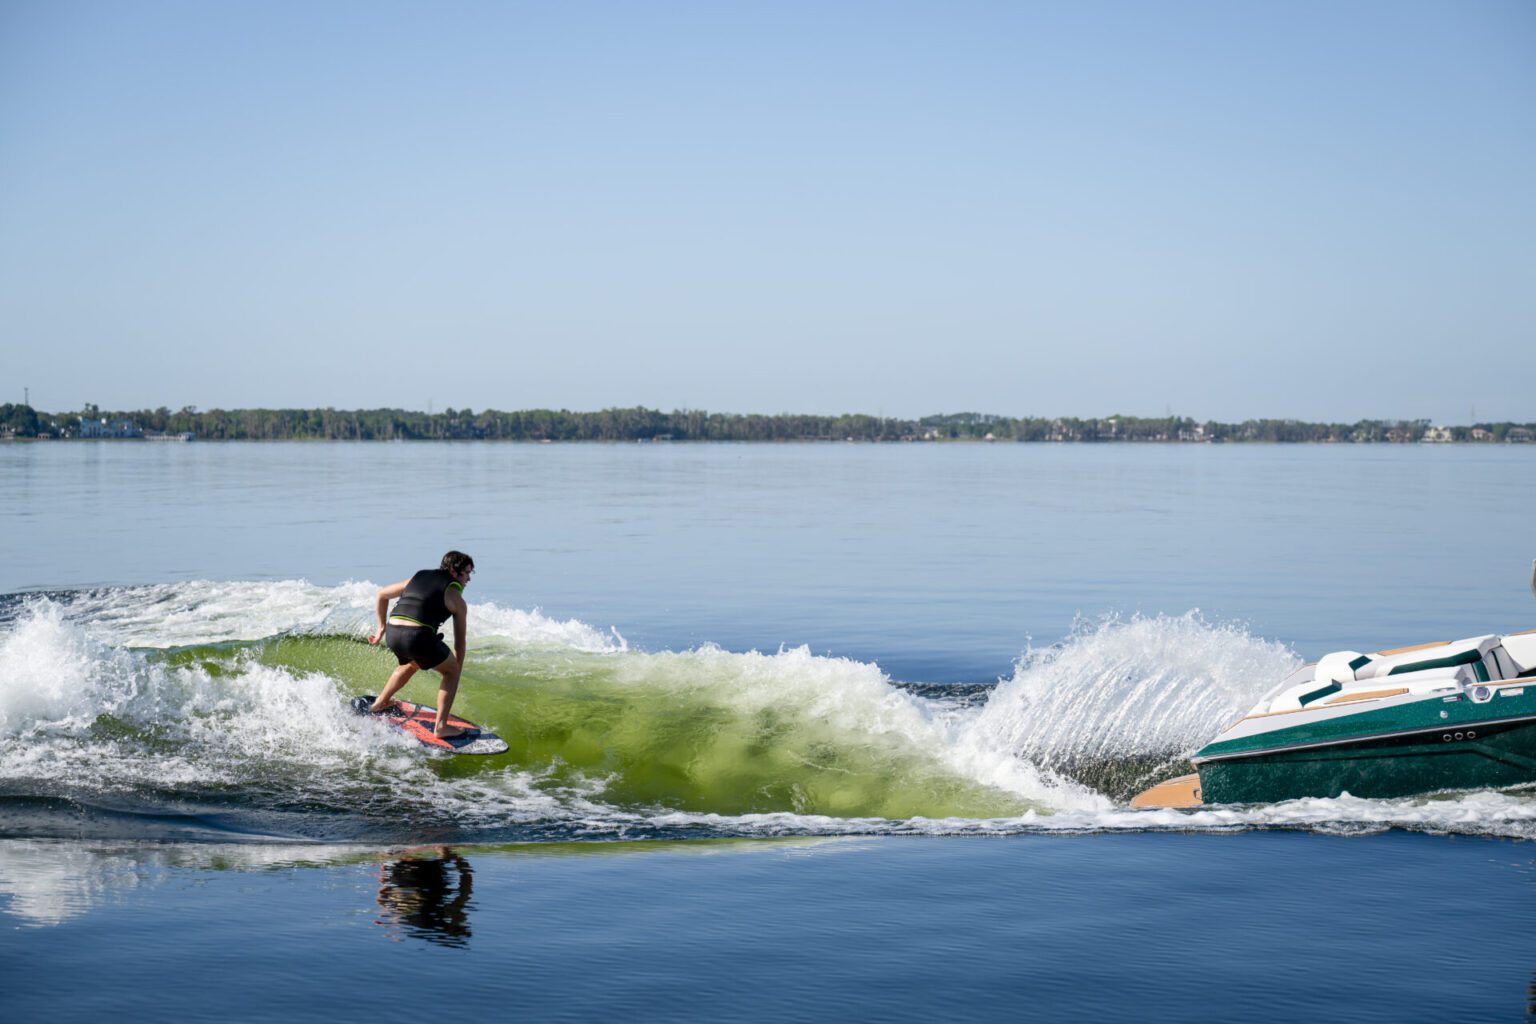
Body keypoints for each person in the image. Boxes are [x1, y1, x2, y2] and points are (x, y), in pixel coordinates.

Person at [367, 551, 475, 738]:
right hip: (417, 636)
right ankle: (441, 727)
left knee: (412, 663)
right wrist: (456, 670)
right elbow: (460, 643)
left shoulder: (419, 576)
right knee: (451, 671)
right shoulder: (456, 598)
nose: (469, 579)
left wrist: (381, 629)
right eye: (466, 573)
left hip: (393, 634)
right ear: (453, 571)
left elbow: (382, 594)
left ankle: (380, 703)